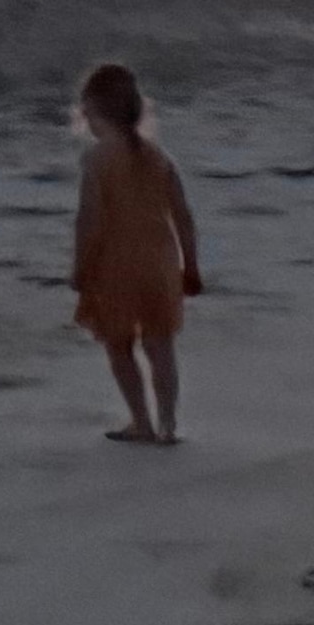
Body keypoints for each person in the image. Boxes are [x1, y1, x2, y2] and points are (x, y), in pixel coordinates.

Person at [70, 62, 202, 442]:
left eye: (87, 114)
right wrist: (191, 265)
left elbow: (89, 219)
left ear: (97, 115)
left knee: (119, 345)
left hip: (116, 267)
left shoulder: (97, 159)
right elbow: (183, 216)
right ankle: (168, 423)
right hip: (160, 263)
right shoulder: (159, 158)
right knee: (161, 345)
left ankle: (141, 421)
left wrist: (80, 266)